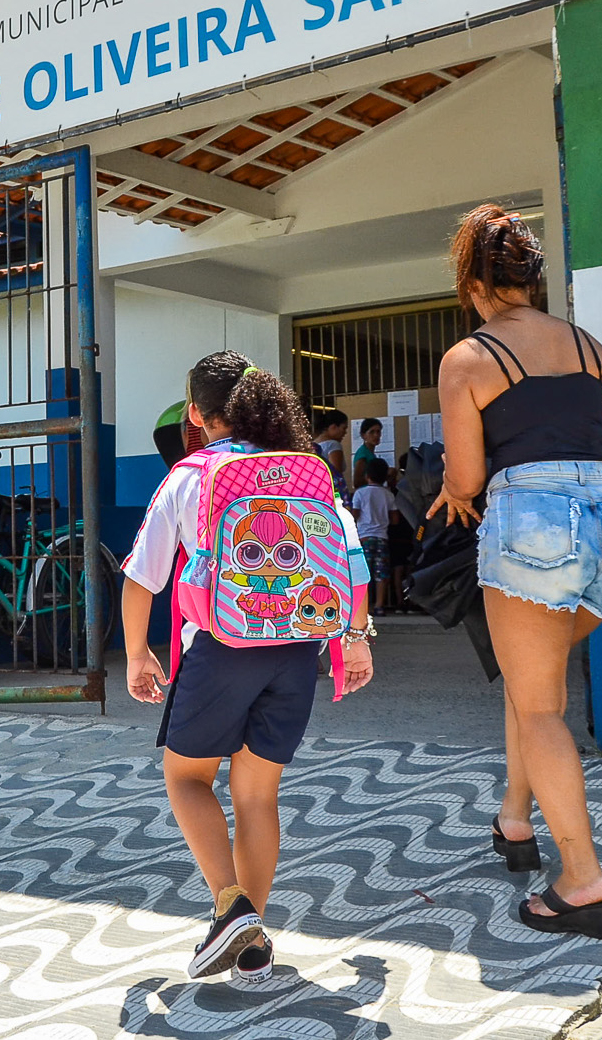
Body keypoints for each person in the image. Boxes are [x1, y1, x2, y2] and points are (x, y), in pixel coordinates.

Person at [123, 352, 376, 982]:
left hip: (221, 651)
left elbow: (141, 577)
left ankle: (230, 907)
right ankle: (251, 939)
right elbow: (353, 565)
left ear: (198, 415)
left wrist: (135, 652)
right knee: (259, 796)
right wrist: (355, 639)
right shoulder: (310, 470)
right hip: (297, 652)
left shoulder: (193, 472)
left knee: (185, 779)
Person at [428, 205, 602, 940]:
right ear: (532, 278)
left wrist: (461, 491)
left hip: (532, 529)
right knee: (535, 686)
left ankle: (584, 880)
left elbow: (464, 475)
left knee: (542, 707)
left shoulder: (468, 358)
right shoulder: (593, 350)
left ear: (472, 282)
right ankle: (514, 821)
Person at [353, 457, 393, 615]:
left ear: (366, 475)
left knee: (363, 573)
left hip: (364, 538)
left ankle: (363, 607)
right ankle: (379, 605)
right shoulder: (388, 494)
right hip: (382, 537)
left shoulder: (360, 493)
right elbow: (395, 518)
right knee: (381, 573)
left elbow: (355, 515)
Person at [314, 409, 351, 500]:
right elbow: (336, 473)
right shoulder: (333, 445)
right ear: (333, 427)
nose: (345, 432)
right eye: (343, 428)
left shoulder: (313, 444)